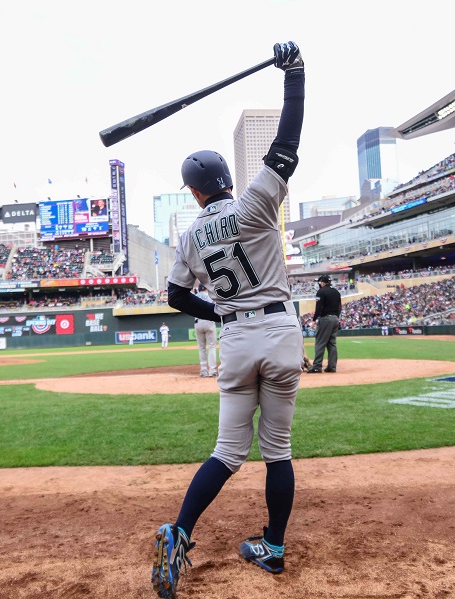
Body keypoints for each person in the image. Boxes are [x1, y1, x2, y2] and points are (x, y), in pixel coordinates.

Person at [151, 41, 305, 598]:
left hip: (236, 338)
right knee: (278, 451)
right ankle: (275, 548)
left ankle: (180, 532)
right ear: (227, 182)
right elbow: (286, 145)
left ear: (194, 193)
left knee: (227, 452)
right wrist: (295, 77)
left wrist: (215, 309)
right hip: (282, 333)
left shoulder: (191, 234)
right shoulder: (255, 204)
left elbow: (174, 295)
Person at [307, 274, 342, 373]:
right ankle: (332, 366)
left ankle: (317, 366)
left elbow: (318, 307)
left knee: (320, 343)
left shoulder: (321, 291)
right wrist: (337, 318)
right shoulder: (336, 292)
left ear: (322, 282)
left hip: (325, 319)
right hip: (335, 318)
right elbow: (340, 307)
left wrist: (314, 320)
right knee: (332, 343)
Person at [193, 285, 218, 377]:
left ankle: (203, 371)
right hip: (209, 321)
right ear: (206, 289)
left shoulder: (195, 297)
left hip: (198, 322)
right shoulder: (210, 295)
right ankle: (212, 371)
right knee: (211, 347)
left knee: (201, 348)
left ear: (199, 289)